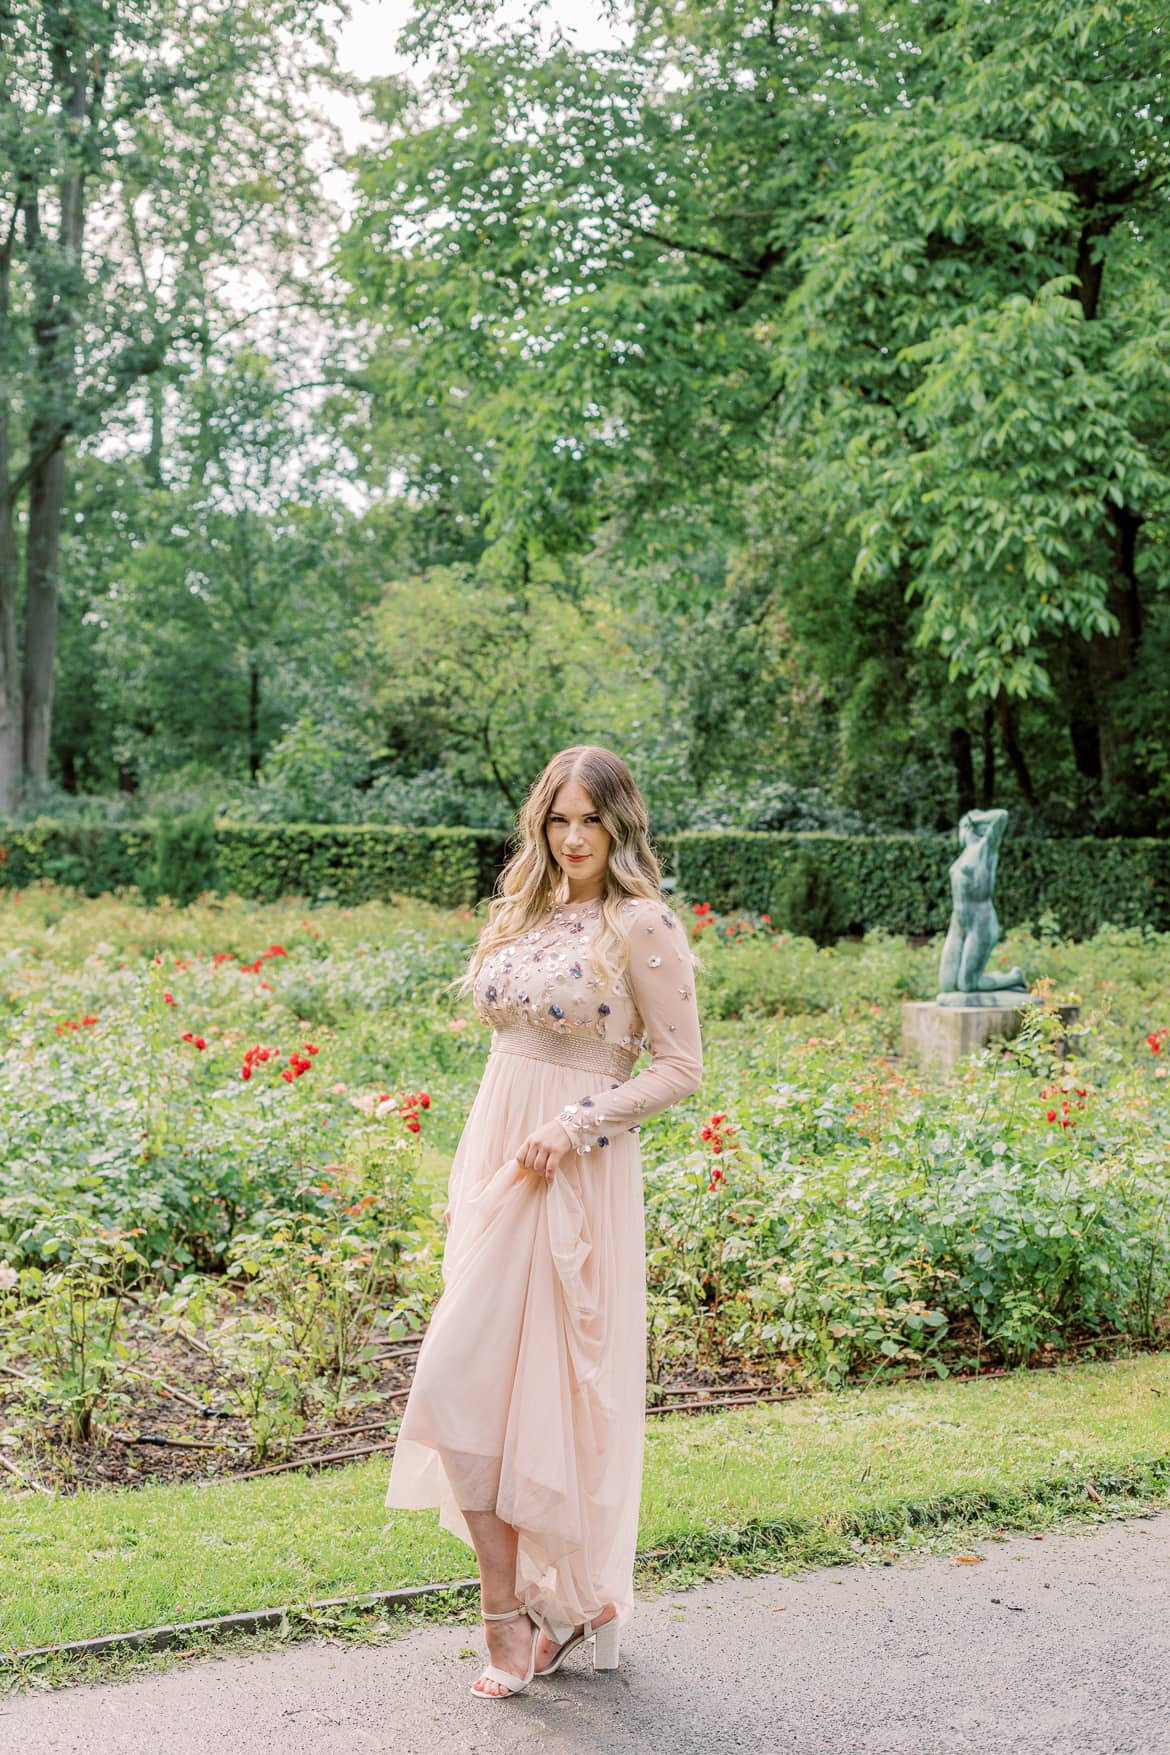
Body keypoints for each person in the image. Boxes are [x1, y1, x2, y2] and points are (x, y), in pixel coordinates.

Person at [384, 744, 704, 1700]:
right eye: (558, 819)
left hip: (569, 1173)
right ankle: (533, 1608)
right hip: (496, 1156)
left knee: (495, 1389)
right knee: (470, 1387)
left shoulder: (641, 923)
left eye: (590, 821)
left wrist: (572, 1125)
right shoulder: (526, 909)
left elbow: (681, 1067)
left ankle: (525, 1616)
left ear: (620, 825)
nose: (572, 838)